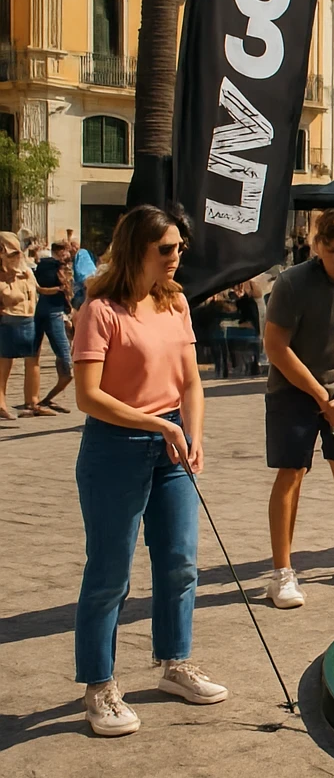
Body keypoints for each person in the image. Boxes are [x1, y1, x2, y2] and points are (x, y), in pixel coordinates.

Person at [71, 205, 224, 737]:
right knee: (110, 572)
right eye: (166, 248)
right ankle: (99, 685)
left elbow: (191, 381)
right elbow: (88, 396)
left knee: (181, 561)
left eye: (180, 246)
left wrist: (192, 432)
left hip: (172, 443)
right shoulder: (100, 309)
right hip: (116, 445)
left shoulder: (174, 301)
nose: (177, 255)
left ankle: (175, 662)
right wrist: (158, 425)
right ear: (137, 249)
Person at [261, 210, 334, 608]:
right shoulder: (291, 283)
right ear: (318, 246)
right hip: (293, 389)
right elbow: (275, 346)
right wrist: (318, 395)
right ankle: (282, 573)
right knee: (292, 473)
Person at [0, 231, 43, 420]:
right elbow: (10, 297)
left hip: (28, 319)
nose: (16, 257)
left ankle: (32, 402)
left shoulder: (25, 271)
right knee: (4, 364)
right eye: (11, 253)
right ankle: (1, 403)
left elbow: (35, 292)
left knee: (32, 360)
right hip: (8, 321)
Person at [30, 240, 75, 413]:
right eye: (65, 251)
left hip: (52, 312)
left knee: (37, 356)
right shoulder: (50, 266)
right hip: (52, 313)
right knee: (66, 364)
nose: (67, 255)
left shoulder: (49, 266)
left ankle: (41, 399)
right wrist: (59, 288)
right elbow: (43, 288)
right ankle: (43, 400)